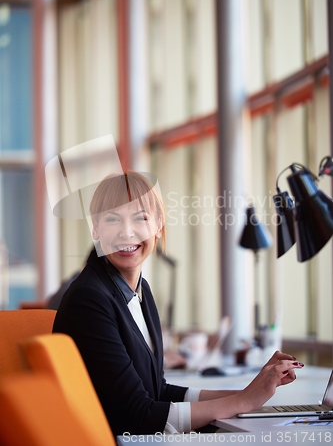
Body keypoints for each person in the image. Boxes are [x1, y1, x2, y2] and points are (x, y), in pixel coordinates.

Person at [53, 171, 303, 436]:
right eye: (113, 219)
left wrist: (250, 391)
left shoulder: (139, 290)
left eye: (141, 218)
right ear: (95, 227)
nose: (127, 232)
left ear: (159, 225)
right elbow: (140, 415)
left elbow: (158, 391)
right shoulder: (89, 299)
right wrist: (243, 402)